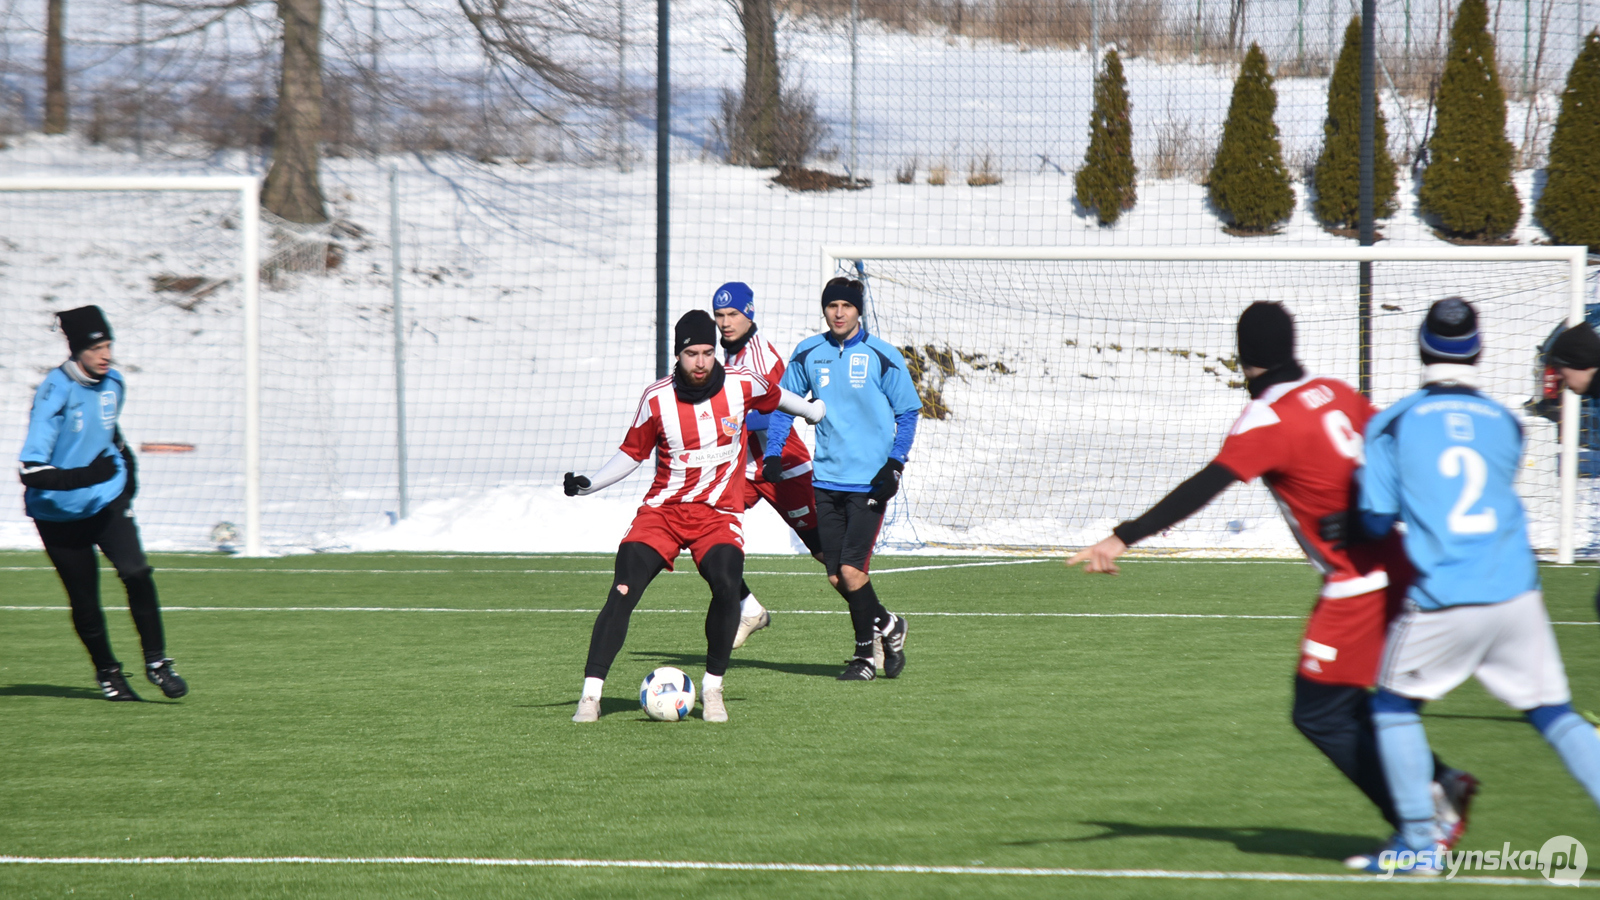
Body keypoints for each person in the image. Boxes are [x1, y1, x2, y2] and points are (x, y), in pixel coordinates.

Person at [1068, 302, 1474, 862]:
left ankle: (1421, 823)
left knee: (1318, 713)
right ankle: (1438, 784)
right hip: (1404, 563)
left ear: (1244, 357)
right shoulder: (1335, 391)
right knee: (1348, 703)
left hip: (1358, 583)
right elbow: (1400, 449)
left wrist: (1123, 536)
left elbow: (1206, 485)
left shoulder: (1268, 418)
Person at [1350, 298, 1600, 875]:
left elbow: (1373, 519)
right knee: (1554, 714)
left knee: (1391, 706)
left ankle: (1419, 845)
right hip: (1516, 590)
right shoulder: (1506, 423)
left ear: (1420, 350)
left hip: (1445, 594)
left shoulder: (1393, 422)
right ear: (1480, 352)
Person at [564, 310, 824, 723]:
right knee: (623, 590)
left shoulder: (741, 383)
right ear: (678, 354)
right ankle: (590, 696)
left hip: (718, 513)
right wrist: (591, 484)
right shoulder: (657, 397)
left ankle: (713, 689)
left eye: (707, 352)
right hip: (663, 513)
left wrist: (812, 411)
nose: (701, 362)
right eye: (691, 353)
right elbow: (632, 452)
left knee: (726, 584)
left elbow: (777, 396)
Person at [19, 306, 186, 702]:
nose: (105, 354)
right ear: (77, 350)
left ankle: (158, 663)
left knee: (138, 572)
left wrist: (125, 479)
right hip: (56, 513)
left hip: (107, 501)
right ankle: (108, 672)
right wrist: (84, 477)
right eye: (97, 347)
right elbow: (31, 471)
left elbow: (111, 433)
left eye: (109, 345)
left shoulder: (115, 384)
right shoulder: (54, 393)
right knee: (85, 598)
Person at [763, 277, 921, 681]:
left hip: (870, 481)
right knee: (836, 575)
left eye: (846, 306)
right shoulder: (807, 353)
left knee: (852, 572)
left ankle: (865, 658)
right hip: (826, 479)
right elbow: (783, 407)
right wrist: (774, 453)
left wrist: (895, 463)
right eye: (831, 305)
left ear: (858, 310)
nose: (838, 312)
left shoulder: (882, 355)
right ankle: (889, 625)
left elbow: (908, 412)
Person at [711, 281, 825, 648]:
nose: (726, 322)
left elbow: (776, 409)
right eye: (720, 315)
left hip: (783, 467)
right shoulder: (726, 356)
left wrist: (725, 419)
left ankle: (877, 623)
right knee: (707, 533)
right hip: (743, 470)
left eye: (733, 314)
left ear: (750, 313)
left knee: (828, 555)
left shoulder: (761, 358)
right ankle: (749, 608)